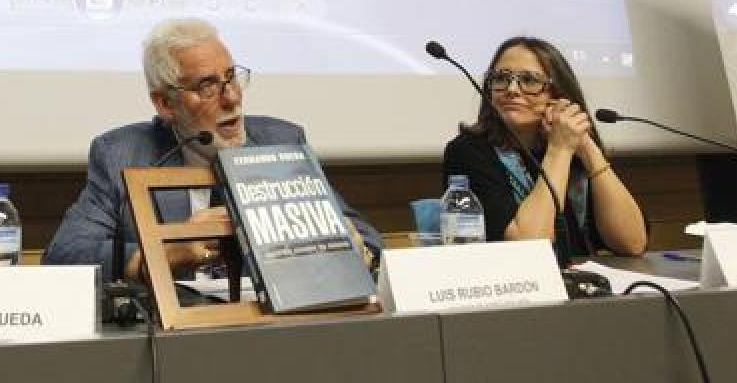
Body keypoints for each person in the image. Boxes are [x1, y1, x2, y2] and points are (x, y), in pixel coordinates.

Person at [43, 18, 381, 281]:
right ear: (165, 103)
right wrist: (161, 256)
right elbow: (65, 254)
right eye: (208, 86)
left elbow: (370, 241)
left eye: (231, 77)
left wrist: (356, 249)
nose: (232, 98)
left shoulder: (282, 142)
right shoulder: (123, 153)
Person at [442, 36, 647, 257]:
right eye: (501, 78)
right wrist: (559, 151)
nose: (511, 89)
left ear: (557, 95)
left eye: (529, 80)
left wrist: (588, 149)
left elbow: (632, 243)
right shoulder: (468, 151)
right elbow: (529, 249)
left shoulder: (572, 146)